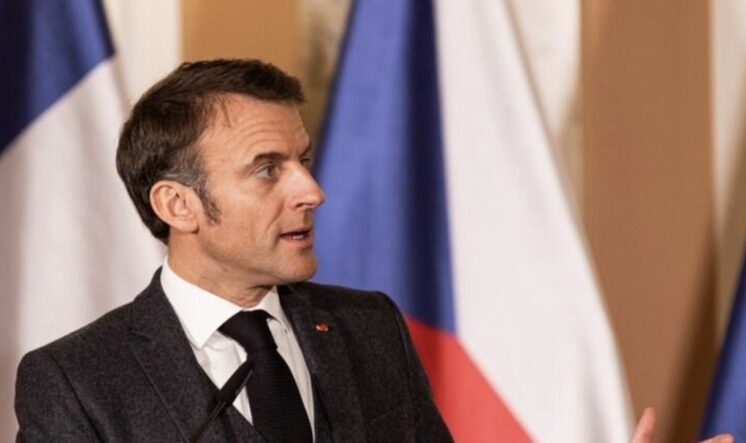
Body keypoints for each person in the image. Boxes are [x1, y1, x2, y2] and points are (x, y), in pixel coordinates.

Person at [15, 59, 452, 442]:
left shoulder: (371, 326)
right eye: (267, 170)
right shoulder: (76, 381)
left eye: (303, 162)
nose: (312, 192)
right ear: (178, 205)